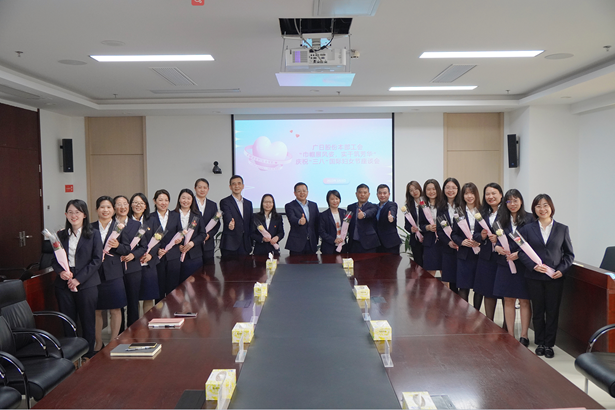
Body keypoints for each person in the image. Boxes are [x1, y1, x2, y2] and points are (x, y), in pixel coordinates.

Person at [518, 194, 574, 359]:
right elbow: (521, 252)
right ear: (534, 209)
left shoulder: (562, 229)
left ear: (551, 207)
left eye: (545, 205)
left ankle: (549, 344)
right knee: (538, 310)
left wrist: (562, 270)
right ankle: (540, 342)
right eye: (538, 206)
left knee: (552, 311)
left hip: (554, 278)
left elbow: (569, 255)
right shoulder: (527, 229)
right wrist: (533, 266)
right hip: (534, 277)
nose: (542, 209)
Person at [52, 199, 102, 357]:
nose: (74, 215)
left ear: (84, 215)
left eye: (77, 212)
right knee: (68, 321)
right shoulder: (60, 235)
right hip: (64, 284)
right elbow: (54, 260)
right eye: (70, 212)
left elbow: (97, 260)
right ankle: (72, 357)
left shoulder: (94, 234)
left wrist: (78, 279)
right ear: (66, 214)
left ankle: (88, 356)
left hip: (86, 283)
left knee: (87, 321)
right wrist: (61, 272)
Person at [493, 189, 533, 347]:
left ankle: (524, 335)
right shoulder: (501, 219)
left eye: (515, 200)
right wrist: (497, 248)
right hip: (505, 264)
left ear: (521, 201)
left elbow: (533, 242)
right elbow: (496, 241)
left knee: (524, 300)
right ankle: (510, 334)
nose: (512, 204)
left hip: (523, 265)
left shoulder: (530, 218)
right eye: (509, 201)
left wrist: (519, 254)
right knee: (508, 299)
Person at [92, 196, 127, 351]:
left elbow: (127, 249)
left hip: (114, 273)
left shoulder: (119, 227)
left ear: (113, 210)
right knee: (96, 309)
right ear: (97, 209)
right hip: (94, 273)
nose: (105, 210)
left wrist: (118, 245)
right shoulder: (90, 228)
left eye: (108, 207)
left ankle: (113, 341)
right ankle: (98, 343)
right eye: (102, 207)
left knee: (115, 308)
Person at [114, 195, 146, 329]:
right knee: (118, 302)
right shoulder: (110, 224)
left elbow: (143, 247)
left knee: (133, 301)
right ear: (114, 207)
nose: (123, 207)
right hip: (115, 268)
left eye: (125, 204)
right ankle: (119, 331)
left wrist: (133, 255)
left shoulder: (137, 224)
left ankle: (133, 330)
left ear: (129, 206)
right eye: (119, 204)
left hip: (133, 268)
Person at [472, 183, 503, 321]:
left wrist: (499, 238)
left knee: (504, 292)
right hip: (486, 257)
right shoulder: (482, 213)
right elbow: (475, 234)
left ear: (501, 195)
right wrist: (482, 236)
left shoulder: (506, 212)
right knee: (487, 291)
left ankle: (506, 326)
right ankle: (489, 322)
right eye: (487, 194)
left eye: (494, 193)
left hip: (502, 258)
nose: (491, 196)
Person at [148, 189, 183, 301]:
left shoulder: (175, 215)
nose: (163, 203)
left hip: (173, 256)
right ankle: (159, 311)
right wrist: (157, 249)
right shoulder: (150, 217)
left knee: (173, 288)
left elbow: (180, 232)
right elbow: (148, 237)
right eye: (160, 200)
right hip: (157, 257)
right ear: (154, 201)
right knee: (159, 288)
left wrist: (180, 239)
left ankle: (173, 310)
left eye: (166, 200)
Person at [451, 182, 481, 302]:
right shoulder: (459, 212)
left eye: (472, 193)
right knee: (463, 286)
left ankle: (476, 312)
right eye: (466, 193)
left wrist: (480, 241)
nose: (469, 196)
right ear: (462, 196)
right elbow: (454, 234)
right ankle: (464, 312)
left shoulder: (483, 211)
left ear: (476, 194)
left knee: (479, 287)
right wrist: (462, 242)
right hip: (464, 254)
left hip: (479, 254)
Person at [128, 193, 156, 316]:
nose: (138, 205)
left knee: (148, 296)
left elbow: (159, 239)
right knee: (133, 298)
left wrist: (151, 255)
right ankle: (135, 323)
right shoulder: (126, 221)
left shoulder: (152, 220)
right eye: (135, 202)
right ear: (131, 205)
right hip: (132, 264)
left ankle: (147, 322)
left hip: (148, 264)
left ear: (146, 206)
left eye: (141, 203)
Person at [175, 188, 205, 282]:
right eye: (183, 198)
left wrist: (192, 243)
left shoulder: (197, 215)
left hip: (194, 255)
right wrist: (178, 246)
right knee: (178, 284)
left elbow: (203, 234)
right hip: (176, 255)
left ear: (192, 200)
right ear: (179, 199)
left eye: (189, 198)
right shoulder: (172, 214)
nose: (186, 201)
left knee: (194, 284)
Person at [437, 178, 461, 292]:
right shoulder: (440, 207)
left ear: (458, 189)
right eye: (447, 188)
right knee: (451, 279)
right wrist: (449, 242)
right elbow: (439, 230)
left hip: (462, 246)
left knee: (462, 278)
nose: (450, 190)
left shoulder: (462, 206)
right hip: (448, 247)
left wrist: (459, 240)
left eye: (453, 188)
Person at [219, 175, 253, 256]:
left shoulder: (248, 203)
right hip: (230, 244)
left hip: (245, 244)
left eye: (239, 183)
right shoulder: (225, 202)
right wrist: (230, 223)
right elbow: (227, 215)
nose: (236, 186)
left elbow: (250, 222)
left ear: (243, 186)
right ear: (230, 187)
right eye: (233, 184)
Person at [284, 182, 319, 256]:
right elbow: (291, 218)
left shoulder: (313, 205)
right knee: (295, 263)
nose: (302, 193)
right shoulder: (289, 206)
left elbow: (316, 223)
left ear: (307, 192)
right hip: (297, 244)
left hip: (311, 243)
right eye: (299, 191)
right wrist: (299, 221)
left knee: (313, 263)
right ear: (294, 193)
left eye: (304, 191)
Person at [346, 184, 380, 253]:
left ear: (369, 194)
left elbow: (371, 212)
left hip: (369, 244)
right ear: (356, 194)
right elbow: (347, 222)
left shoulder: (373, 206)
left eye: (365, 192)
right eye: (360, 192)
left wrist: (364, 214)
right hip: (353, 244)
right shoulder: (350, 207)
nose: (362, 194)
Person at [419, 179, 442, 276]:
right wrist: (427, 227)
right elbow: (421, 225)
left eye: (434, 189)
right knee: (430, 272)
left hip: (443, 241)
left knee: (445, 272)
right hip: (429, 242)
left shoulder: (443, 205)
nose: (431, 191)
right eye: (428, 189)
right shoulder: (422, 205)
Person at [194, 178, 219, 264]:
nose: (202, 190)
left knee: (209, 269)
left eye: (205, 187)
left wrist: (209, 235)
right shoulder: (190, 203)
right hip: (193, 244)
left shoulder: (212, 205)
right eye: (200, 187)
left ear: (208, 189)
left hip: (208, 244)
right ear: (195, 188)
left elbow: (217, 224)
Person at [375, 184, 402, 254]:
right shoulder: (375, 207)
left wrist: (391, 217)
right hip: (378, 244)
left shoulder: (392, 204)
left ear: (389, 194)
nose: (382, 195)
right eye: (380, 193)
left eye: (384, 193)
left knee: (392, 261)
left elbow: (392, 211)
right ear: (377, 194)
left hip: (390, 243)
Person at [319, 190, 347, 255]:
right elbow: (321, 232)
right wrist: (333, 240)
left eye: (337, 198)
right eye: (332, 199)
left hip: (343, 246)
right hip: (329, 248)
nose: (335, 201)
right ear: (328, 201)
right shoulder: (323, 215)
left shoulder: (344, 212)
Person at [404, 181, 424, 267]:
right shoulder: (408, 206)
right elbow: (406, 225)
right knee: (418, 265)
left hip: (427, 238)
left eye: (416, 189)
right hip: (415, 240)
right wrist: (411, 229)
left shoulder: (427, 202)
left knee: (428, 265)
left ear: (419, 189)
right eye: (411, 190)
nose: (414, 192)